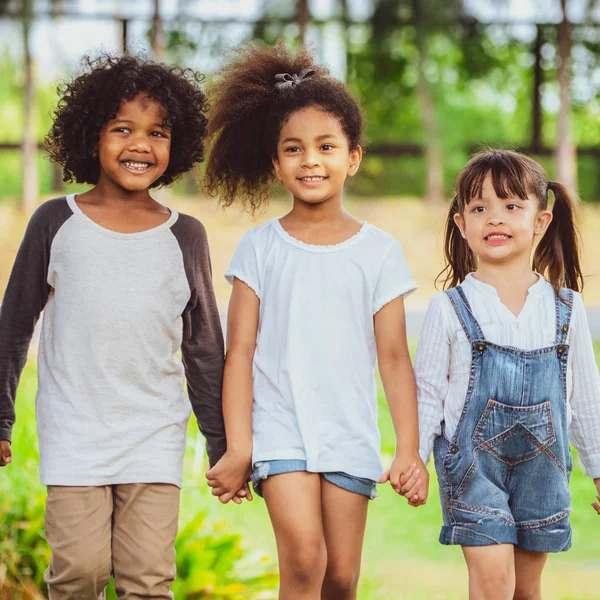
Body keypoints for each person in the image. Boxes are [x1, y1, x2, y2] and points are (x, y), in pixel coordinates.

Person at [203, 42, 428, 600]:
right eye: (294, 149)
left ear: (351, 157)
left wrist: (407, 449)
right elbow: (240, 354)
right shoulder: (259, 248)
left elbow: (395, 358)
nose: (311, 161)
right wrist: (239, 447)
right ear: (276, 164)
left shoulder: (379, 251)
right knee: (303, 562)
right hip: (279, 429)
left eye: (326, 147)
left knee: (341, 577)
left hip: (349, 430)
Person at [0, 54, 225, 600]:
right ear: (90, 134)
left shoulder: (185, 235)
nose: (140, 145)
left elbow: (203, 347)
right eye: (122, 129)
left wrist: (222, 443)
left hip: (153, 433)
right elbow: (13, 326)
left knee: (147, 580)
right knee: (78, 574)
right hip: (75, 431)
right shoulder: (56, 221)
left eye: (157, 133)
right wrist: (1, 417)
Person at [415, 149, 600, 600]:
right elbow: (426, 392)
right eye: (480, 209)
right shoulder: (449, 307)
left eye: (511, 206)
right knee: (494, 584)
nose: (494, 219)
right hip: (473, 470)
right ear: (461, 224)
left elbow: (585, 398)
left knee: (526, 589)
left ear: (541, 221)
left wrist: (598, 469)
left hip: (544, 470)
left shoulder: (567, 307)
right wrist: (413, 458)